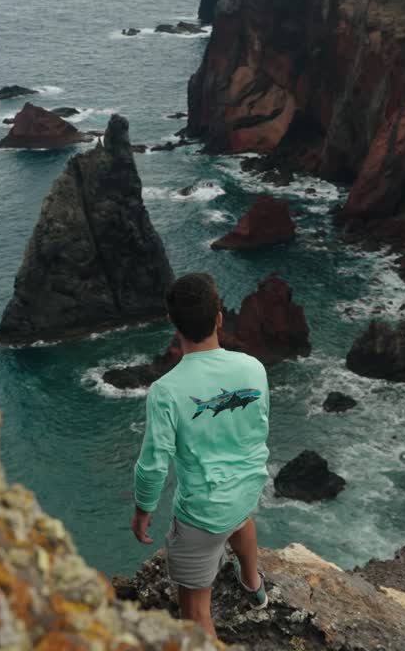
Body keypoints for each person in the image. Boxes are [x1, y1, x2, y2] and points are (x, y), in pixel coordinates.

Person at [131, 273, 270, 640]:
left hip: (203, 514)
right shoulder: (253, 368)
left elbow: (153, 464)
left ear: (173, 324)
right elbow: (258, 427)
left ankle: (249, 584)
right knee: (241, 520)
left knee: (194, 615)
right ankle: (254, 585)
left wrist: (143, 509)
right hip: (247, 488)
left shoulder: (166, 391)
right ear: (219, 318)